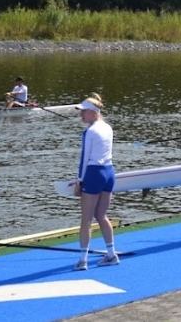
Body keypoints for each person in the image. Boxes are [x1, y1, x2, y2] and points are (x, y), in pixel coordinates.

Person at [74, 94, 119, 270]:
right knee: (101, 215)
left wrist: (79, 181)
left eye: (84, 112)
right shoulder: (108, 127)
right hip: (109, 173)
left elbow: (84, 158)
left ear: (93, 112)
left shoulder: (89, 132)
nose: (81, 115)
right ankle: (111, 255)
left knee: (86, 219)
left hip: (94, 174)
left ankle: (82, 260)